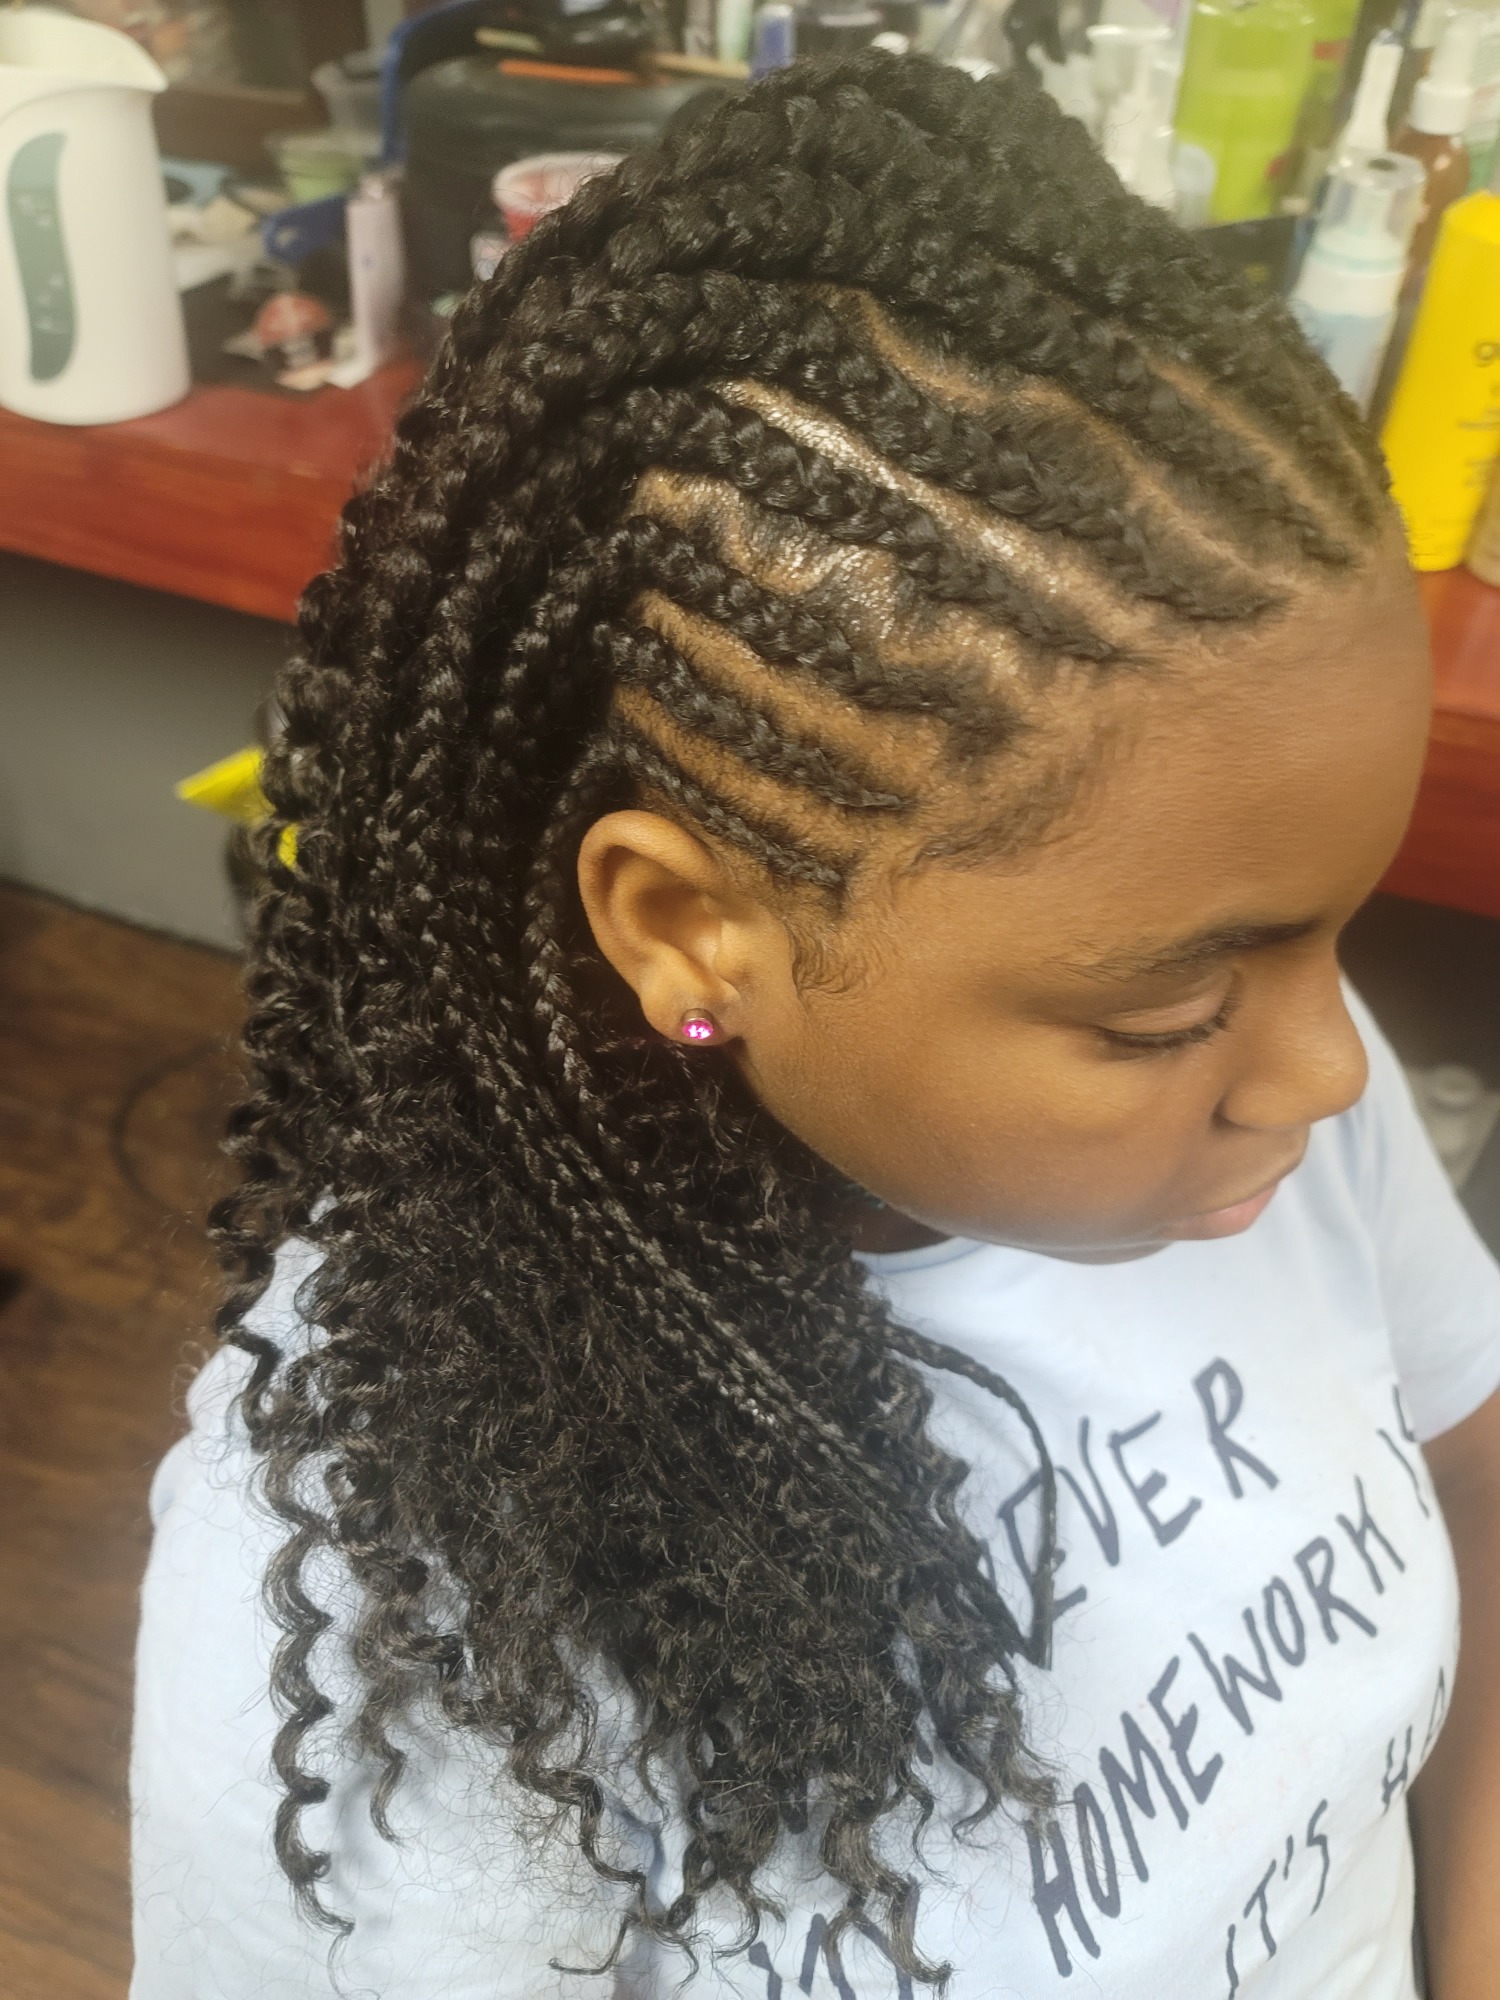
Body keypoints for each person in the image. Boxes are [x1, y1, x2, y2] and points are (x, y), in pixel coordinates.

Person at [130, 52, 1500, 2000]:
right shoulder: (398, 1592)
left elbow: (1477, 1474)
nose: (1335, 1069)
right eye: (1174, 1012)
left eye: (1330, 938)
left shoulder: (1262, 1084)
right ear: (689, 927)